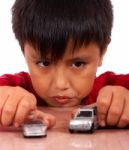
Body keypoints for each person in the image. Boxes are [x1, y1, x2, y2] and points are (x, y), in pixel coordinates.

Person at [0, 0, 129, 129]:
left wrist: (123, 101)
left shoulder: (115, 86)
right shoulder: (16, 87)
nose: (60, 84)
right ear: (24, 52)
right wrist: (5, 101)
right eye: (44, 63)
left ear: (102, 52)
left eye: (78, 64)